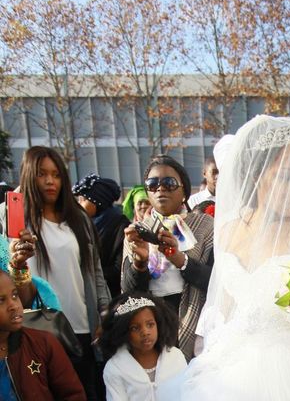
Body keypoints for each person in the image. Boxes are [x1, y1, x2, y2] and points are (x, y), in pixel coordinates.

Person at [176, 116, 290, 400]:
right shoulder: (229, 230)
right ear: (256, 175)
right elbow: (222, 309)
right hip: (232, 368)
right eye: (285, 176)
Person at [14, 146, 110, 400]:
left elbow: (94, 272)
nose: (49, 181)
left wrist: (103, 313)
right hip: (35, 328)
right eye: (41, 174)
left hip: (79, 326)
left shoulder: (77, 218)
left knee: (81, 393)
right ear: (27, 176)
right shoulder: (14, 219)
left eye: (56, 174)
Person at [122, 155, 213, 361]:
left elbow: (214, 279)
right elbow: (129, 291)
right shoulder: (137, 232)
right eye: (153, 184)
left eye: (169, 183)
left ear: (184, 192)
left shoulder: (205, 226)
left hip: (194, 314)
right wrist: (140, 261)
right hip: (152, 320)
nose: (160, 189)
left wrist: (179, 259)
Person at [0, 269, 86, 400]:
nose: (13, 305)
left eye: (14, 295)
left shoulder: (42, 343)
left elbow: (73, 395)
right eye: (1, 300)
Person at [100, 292, 186, 400]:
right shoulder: (115, 368)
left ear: (158, 324)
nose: (145, 332)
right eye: (135, 328)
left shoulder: (175, 357)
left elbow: (186, 393)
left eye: (150, 325)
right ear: (124, 332)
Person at [73, 173, 130, 298]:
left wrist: (88, 275)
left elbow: (120, 267)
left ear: (97, 201)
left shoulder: (120, 225)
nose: (79, 205)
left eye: (83, 200)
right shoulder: (82, 225)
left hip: (112, 295)